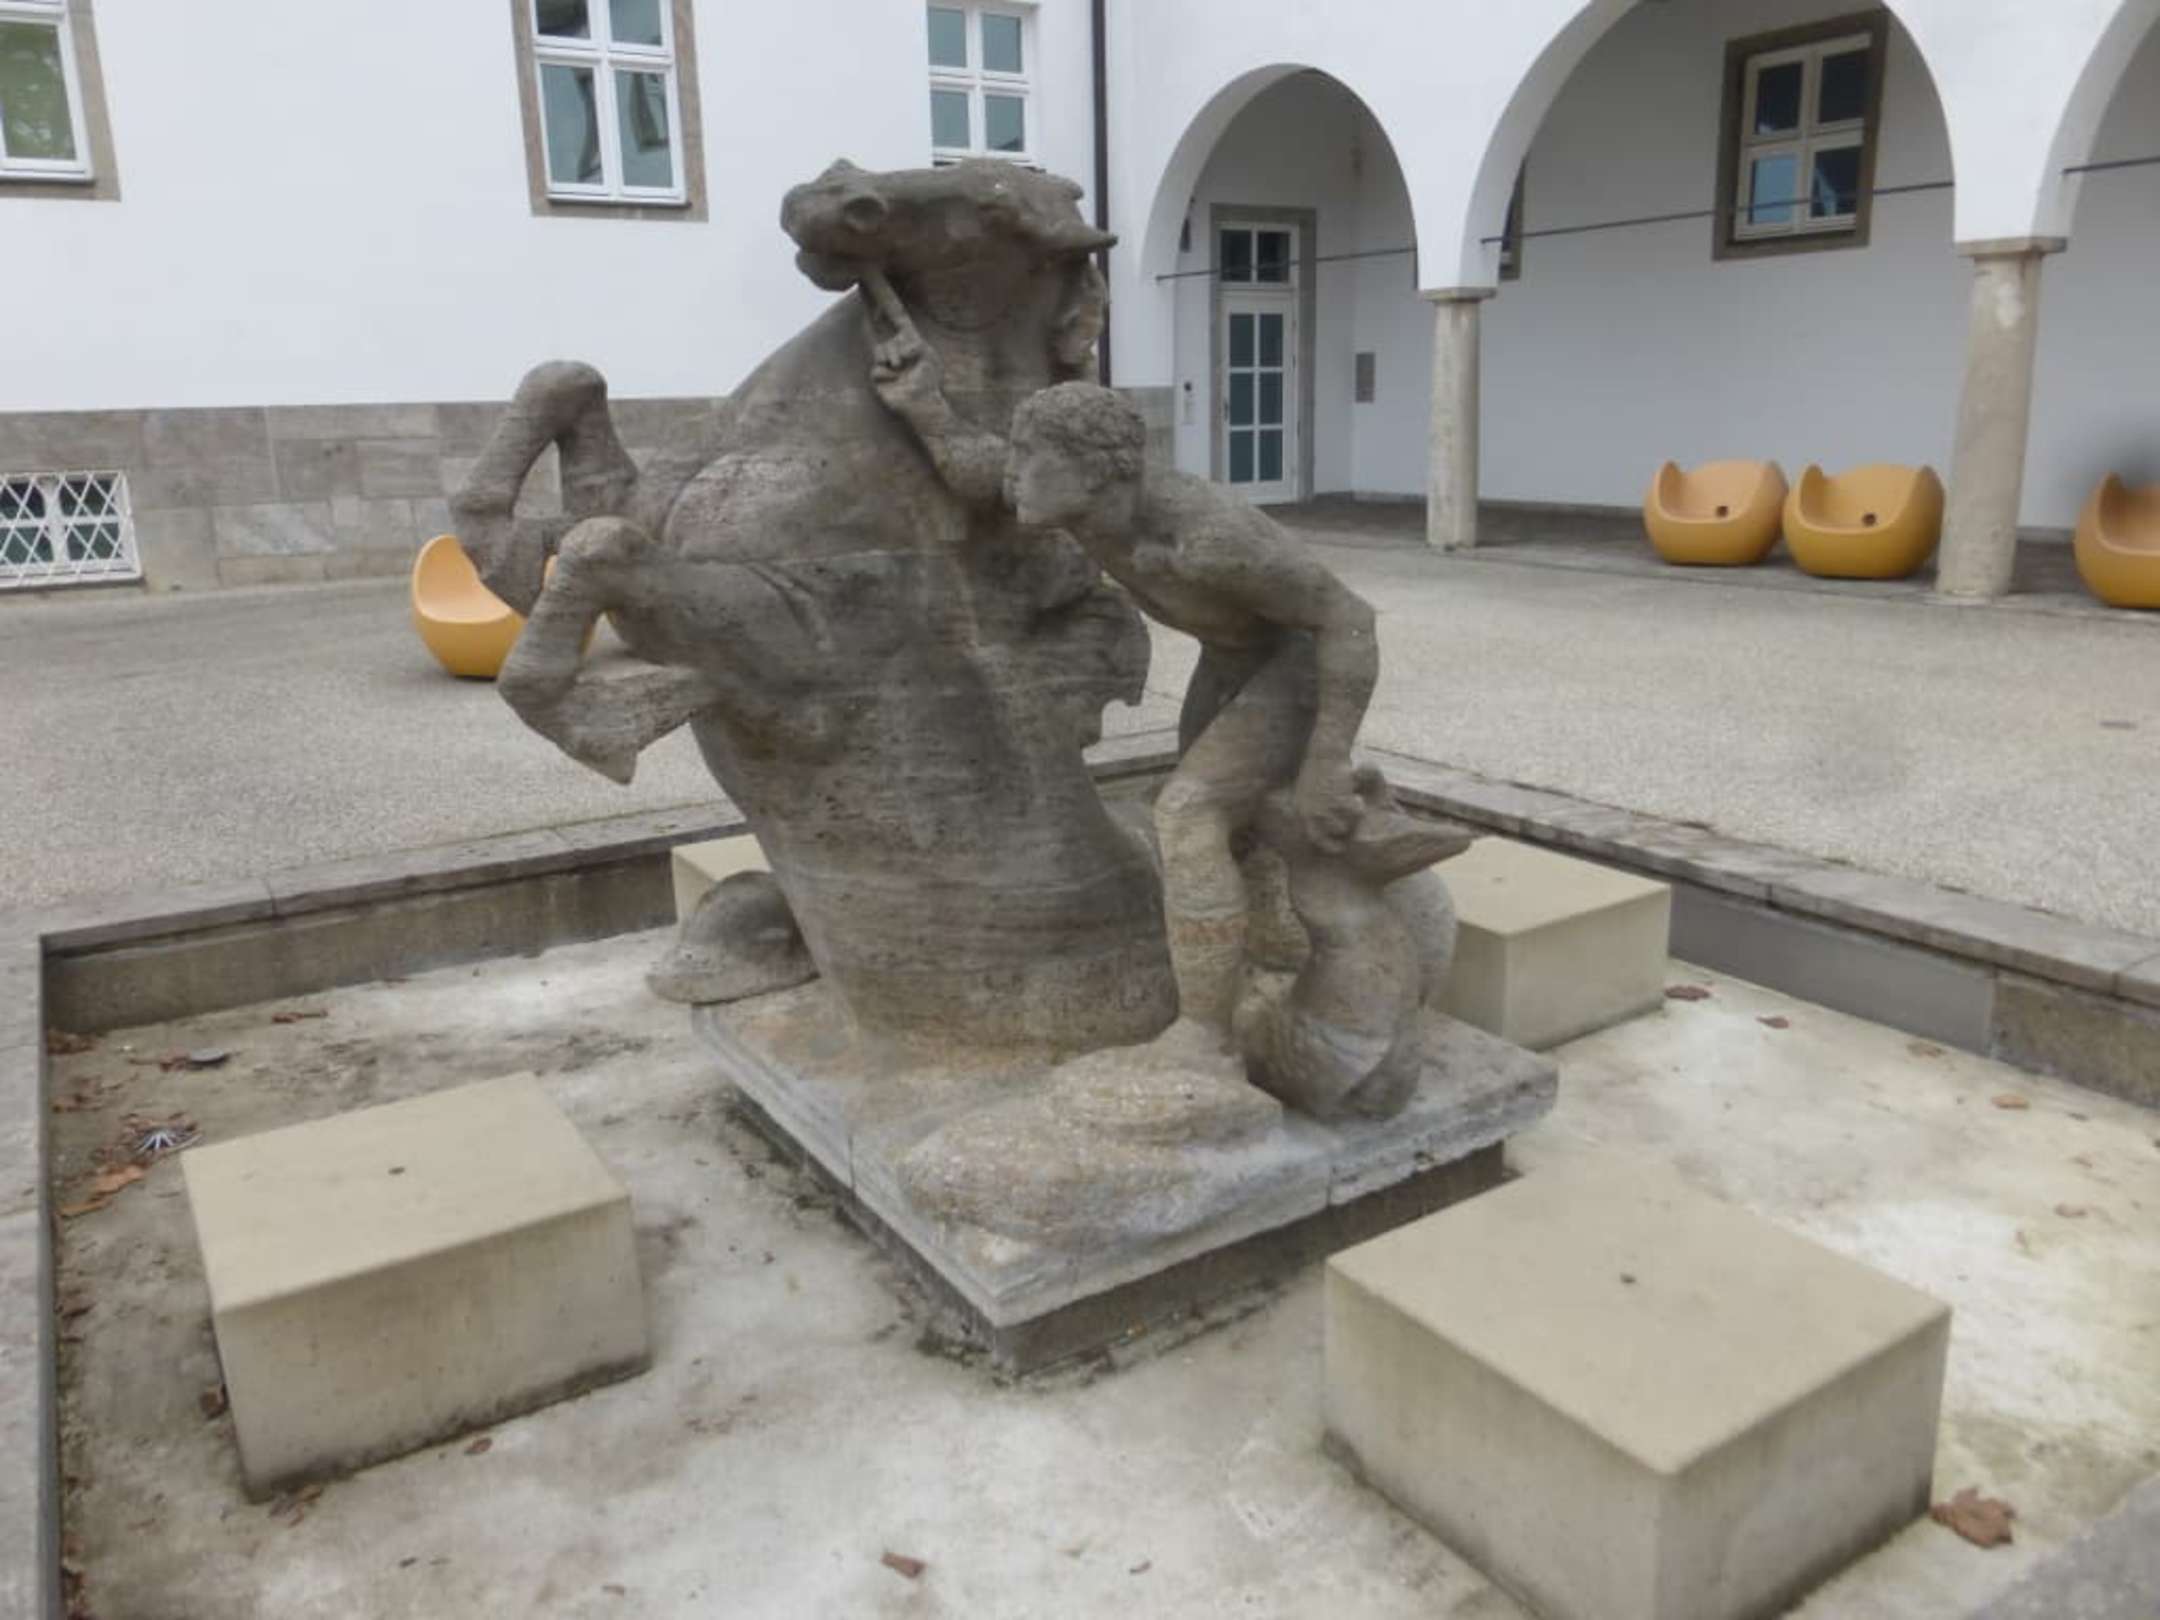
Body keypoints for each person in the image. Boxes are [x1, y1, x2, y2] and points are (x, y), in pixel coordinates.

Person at [877, 348, 1382, 1054]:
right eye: (1016, 453)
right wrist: (920, 403)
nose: (1012, 472)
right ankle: (1269, 948)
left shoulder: (1208, 540)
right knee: (1230, 824)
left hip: (1290, 666)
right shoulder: (1083, 503)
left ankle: (1204, 1038)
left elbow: (1348, 619)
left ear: (1094, 468)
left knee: (1188, 813)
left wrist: (1328, 757)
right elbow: (981, 465)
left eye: (1029, 456)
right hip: (1230, 660)